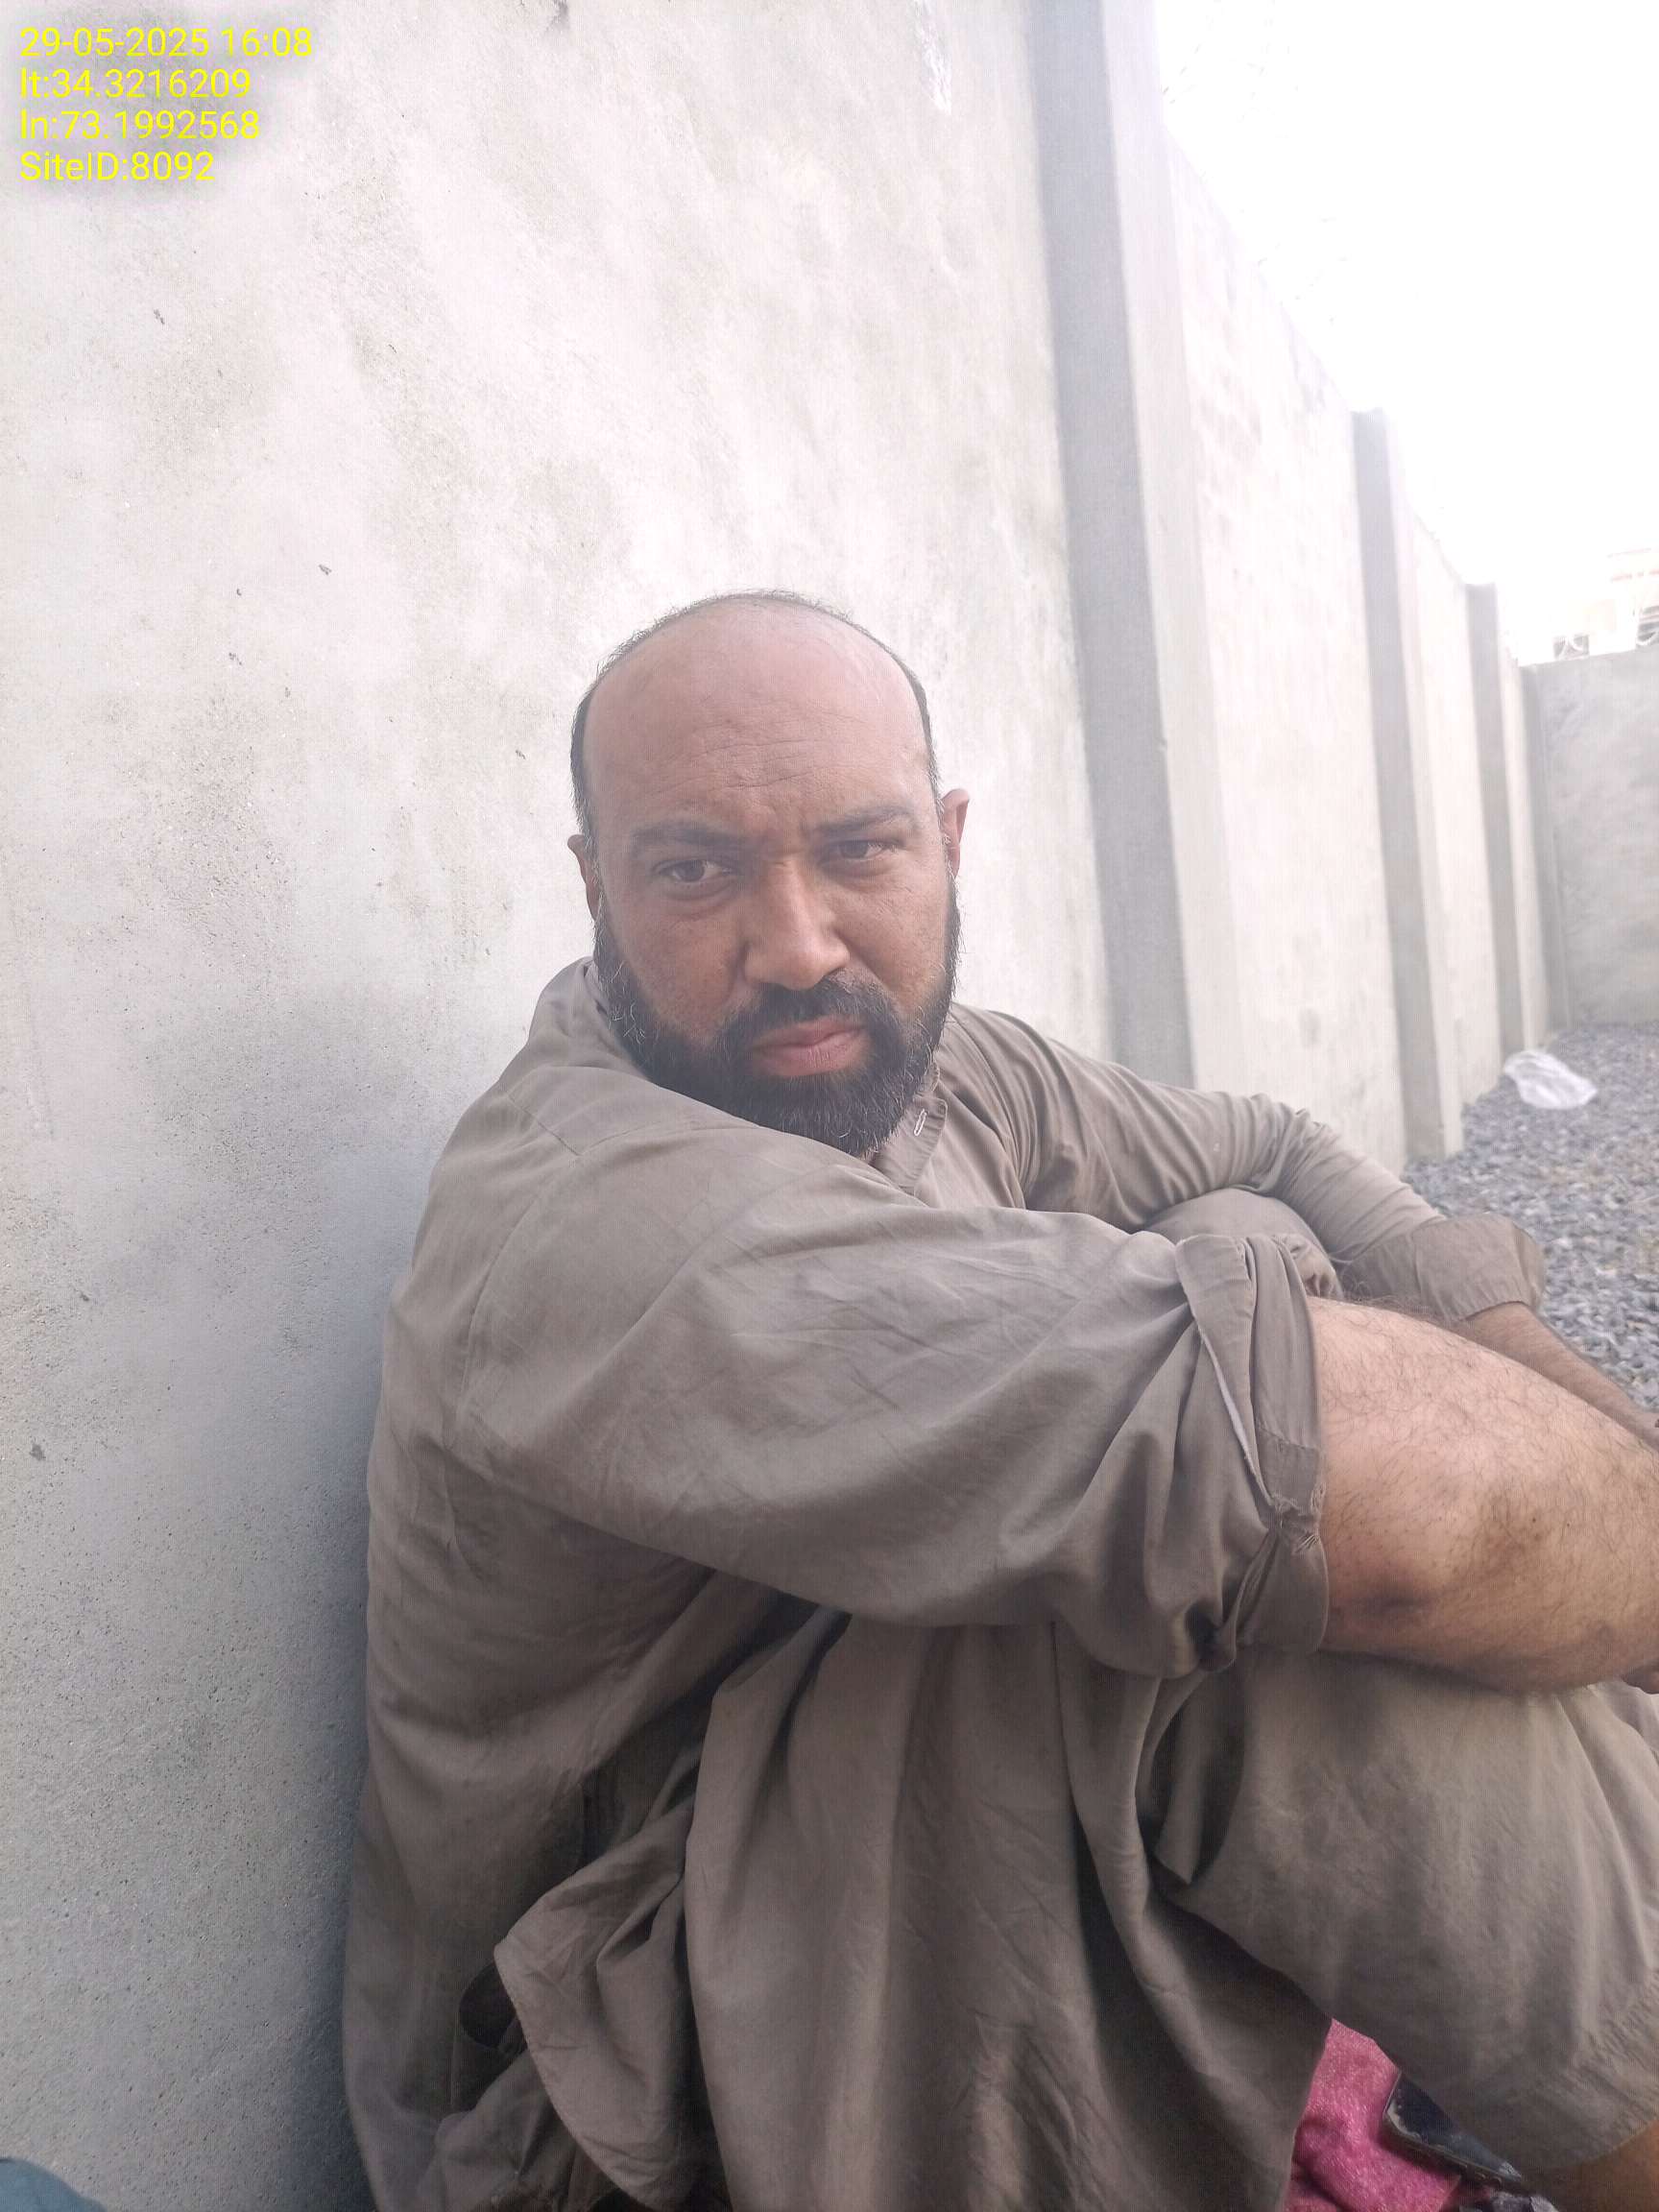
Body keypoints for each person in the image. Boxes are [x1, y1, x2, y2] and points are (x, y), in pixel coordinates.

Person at [344, 591, 1659, 2212]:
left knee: (1241, 1252)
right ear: (594, 883)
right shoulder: (599, 1218)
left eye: (859, 850)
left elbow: (1270, 1145)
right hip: (614, 2099)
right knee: (1228, 1580)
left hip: (864, 1881)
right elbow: (1353, 1494)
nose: (797, 944)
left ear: (947, 842)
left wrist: (1558, 1388)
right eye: (694, 871)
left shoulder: (914, 1067)